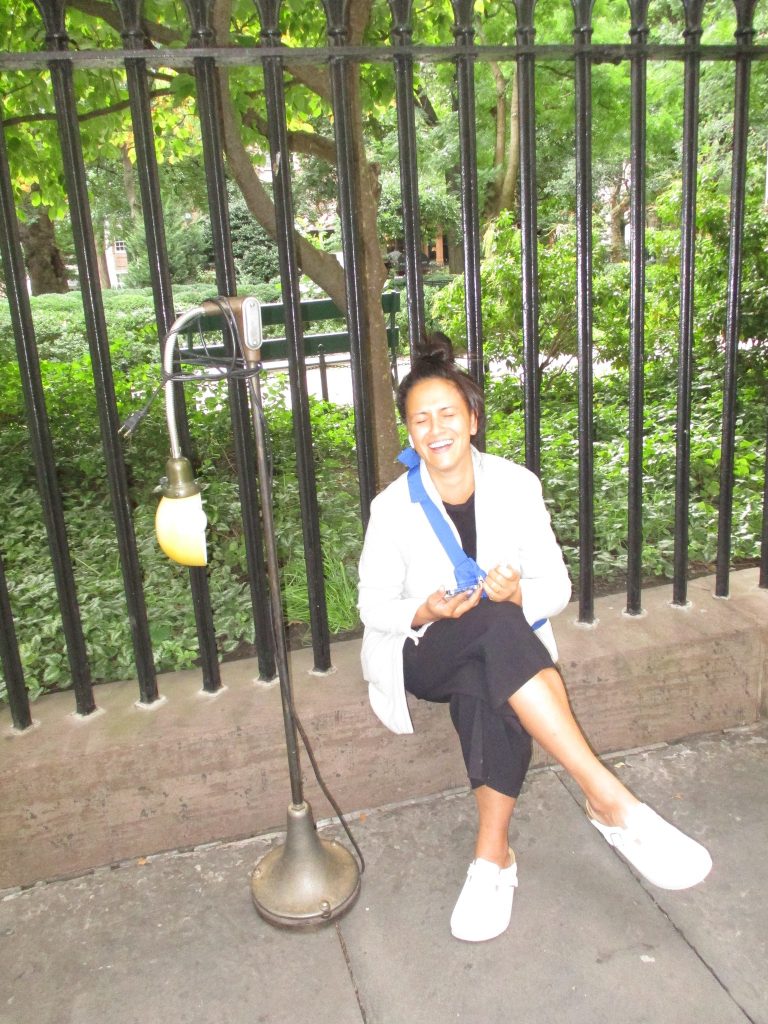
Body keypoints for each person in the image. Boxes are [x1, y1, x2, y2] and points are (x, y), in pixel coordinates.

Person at [357, 332, 712, 943]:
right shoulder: (392, 507)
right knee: (493, 629)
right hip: (424, 652)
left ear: (472, 420)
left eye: (448, 413)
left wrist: (519, 594)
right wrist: (425, 609)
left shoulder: (516, 485)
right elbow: (372, 606)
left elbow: (557, 587)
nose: (436, 429)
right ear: (410, 434)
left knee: (490, 675)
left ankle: (492, 858)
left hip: (499, 653)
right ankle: (607, 798)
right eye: (421, 419)